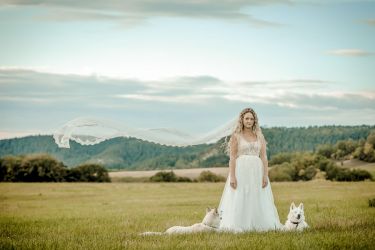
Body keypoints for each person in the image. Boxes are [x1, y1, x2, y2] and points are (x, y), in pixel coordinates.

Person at [217, 107, 284, 233]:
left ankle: (258, 224)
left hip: (257, 171)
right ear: (242, 120)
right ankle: (239, 224)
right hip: (240, 170)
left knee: (257, 196)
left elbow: (264, 157)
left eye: (251, 119)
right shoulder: (236, 136)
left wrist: (265, 175)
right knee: (241, 196)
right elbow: (232, 158)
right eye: (246, 118)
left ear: (254, 121)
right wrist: (232, 176)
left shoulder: (259, 136)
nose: (249, 121)